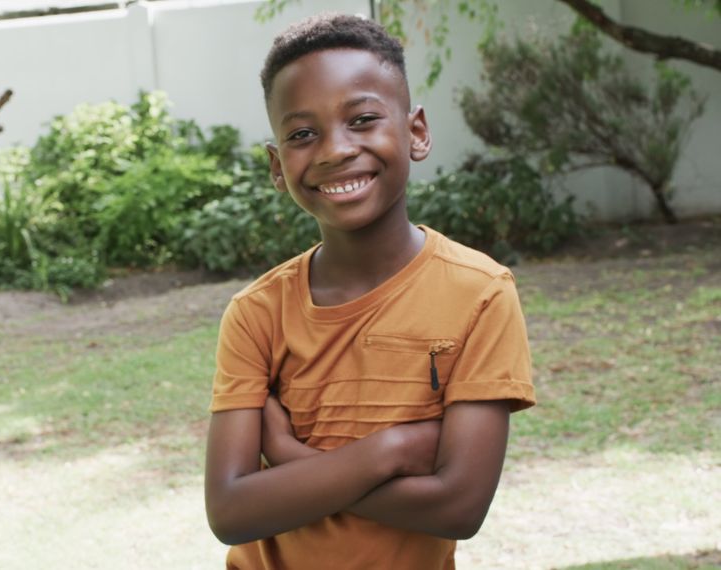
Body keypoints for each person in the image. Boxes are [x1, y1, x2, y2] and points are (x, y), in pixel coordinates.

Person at [203, 13, 536, 569]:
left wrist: (289, 457)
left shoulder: (479, 294)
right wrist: (392, 450)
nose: (335, 150)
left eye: (361, 119)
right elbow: (231, 511)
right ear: (277, 167)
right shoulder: (257, 312)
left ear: (416, 132)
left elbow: (459, 507)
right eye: (302, 134)